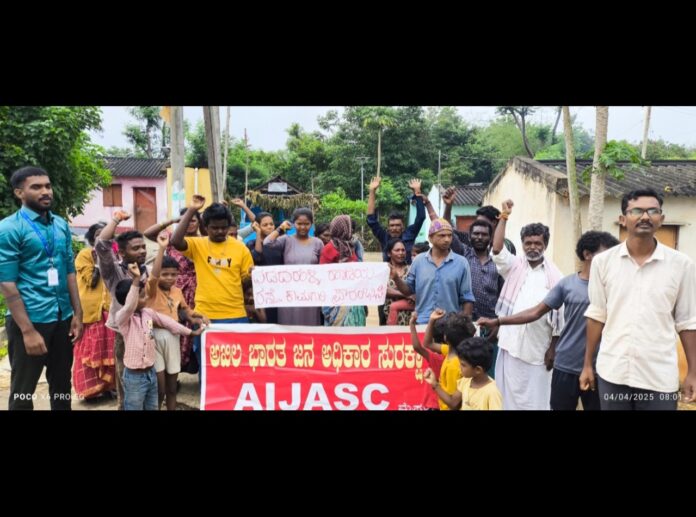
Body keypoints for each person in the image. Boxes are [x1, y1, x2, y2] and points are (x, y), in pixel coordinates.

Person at [580, 188, 696, 409]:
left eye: (652, 211)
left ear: (661, 219)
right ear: (623, 219)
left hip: (659, 377)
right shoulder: (603, 263)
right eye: (636, 211)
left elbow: (687, 322)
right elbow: (596, 315)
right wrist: (587, 365)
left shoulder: (681, 265)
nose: (645, 217)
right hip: (613, 372)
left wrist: (693, 372)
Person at [478, 231, 619, 410]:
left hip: (600, 367)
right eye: (607, 254)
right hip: (566, 365)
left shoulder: (614, 287)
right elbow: (536, 312)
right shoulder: (567, 284)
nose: (612, 259)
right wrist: (498, 322)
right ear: (587, 254)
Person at [0, 166, 83, 410]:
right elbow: (7, 283)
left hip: (62, 318)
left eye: (47, 186)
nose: (45, 191)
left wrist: (77, 314)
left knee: (62, 386)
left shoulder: (60, 225)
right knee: (23, 392)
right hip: (30, 319)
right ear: (19, 193)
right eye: (36, 187)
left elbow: (69, 271)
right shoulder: (9, 228)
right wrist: (27, 331)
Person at [169, 196, 254, 374]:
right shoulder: (198, 244)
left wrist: (253, 276)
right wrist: (192, 210)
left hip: (236, 315)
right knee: (207, 366)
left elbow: (245, 283)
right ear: (205, 227)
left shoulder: (241, 248)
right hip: (204, 316)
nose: (220, 231)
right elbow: (176, 241)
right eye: (215, 228)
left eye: (224, 227)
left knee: (237, 367)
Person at [492, 200, 562, 410]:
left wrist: (553, 348)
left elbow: (560, 317)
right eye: (528, 243)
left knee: (538, 399)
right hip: (510, 343)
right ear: (522, 244)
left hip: (538, 348)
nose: (533, 247)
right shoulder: (514, 266)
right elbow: (497, 249)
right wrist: (504, 217)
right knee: (507, 397)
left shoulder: (556, 277)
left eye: (537, 243)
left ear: (545, 245)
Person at [115, 263, 202, 410]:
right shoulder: (123, 319)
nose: (146, 298)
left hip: (150, 373)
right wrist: (136, 280)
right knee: (134, 406)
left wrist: (190, 332)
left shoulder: (147, 313)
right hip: (134, 377)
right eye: (142, 296)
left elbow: (169, 322)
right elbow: (129, 306)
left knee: (152, 406)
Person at [146, 232, 209, 410]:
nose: (169, 278)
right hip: (153, 337)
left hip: (173, 338)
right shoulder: (151, 290)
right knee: (159, 388)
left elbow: (186, 311)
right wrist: (161, 248)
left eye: (173, 274)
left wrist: (199, 316)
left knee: (172, 388)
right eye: (165, 274)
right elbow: (154, 276)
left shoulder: (177, 291)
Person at [95, 209, 149, 409]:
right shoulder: (114, 270)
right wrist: (116, 220)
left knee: (146, 368)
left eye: (143, 247)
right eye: (136, 248)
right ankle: (124, 405)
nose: (142, 251)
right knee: (126, 371)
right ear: (123, 252)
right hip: (124, 331)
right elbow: (102, 245)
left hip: (146, 328)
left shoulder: (145, 269)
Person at [144, 208, 202, 373]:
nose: (189, 223)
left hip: (196, 289)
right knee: (172, 324)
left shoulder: (202, 240)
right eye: (185, 220)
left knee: (193, 322)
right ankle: (171, 370)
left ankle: (189, 365)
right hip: (172, 289)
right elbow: (148, 233)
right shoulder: (171, 238)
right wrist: (171, 221)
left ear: (199, 222)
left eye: (192, 220)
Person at [391, 218, 475, 324]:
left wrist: (465, 324)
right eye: (442, 235)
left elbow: (467, 298)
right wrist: (396, 278)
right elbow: (408, 290)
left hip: (450, 325)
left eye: (450, 235)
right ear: (430, 238)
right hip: (422, 323)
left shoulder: (461, 263)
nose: (447, 239)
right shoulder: (418, 261)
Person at [72, 222, 116, 399]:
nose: (102, 237)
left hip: (109, 310)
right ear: (91, 238)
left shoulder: (113, 254)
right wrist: (98, 261)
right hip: (91, 313)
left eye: (106, 233)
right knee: (89, 350)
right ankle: (91, 391)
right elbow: (91, 280)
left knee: (110, 350)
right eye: (98, 234)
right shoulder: (85, 255)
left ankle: (109, 387)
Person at [264, 208, 324, 325]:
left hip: (310, 295)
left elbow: (323, 269)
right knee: (289, 326)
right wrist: (280, 228)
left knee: (309, 325)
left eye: (306, 224)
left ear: (312, 224)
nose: (303, 227)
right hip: (289, 295)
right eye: (299, 223)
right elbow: (267, 242)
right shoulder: (286, 240)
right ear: (293, 223)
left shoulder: (318, 243)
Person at [417, 308, 477, 410]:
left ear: (445, 338)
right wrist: (431, 320)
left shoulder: (455, 365)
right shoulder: (451, 350)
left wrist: (434, 384)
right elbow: (428, 343)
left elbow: (453, 403)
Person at [424, 337, 502, 410]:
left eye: (463, 365)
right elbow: (453, 403)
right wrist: (434, 384)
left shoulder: (492, 392)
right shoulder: (465, 381)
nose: (459, 366)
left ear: (478, 370)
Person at [319, 215, 366, 327]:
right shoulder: (329, 248)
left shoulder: (351, 245)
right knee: (336, 330)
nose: (351, 231)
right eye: (349, 227)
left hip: (352, 296)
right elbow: (323, 274)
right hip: (335, 298)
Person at [367, 177, 426, 264]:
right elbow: (371, 220)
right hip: (389, 271)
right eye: (392, 225)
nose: (394, 228)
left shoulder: (409, 234)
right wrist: (372, 191)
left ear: (403, 226)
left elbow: (421, 217)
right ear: (388, 227)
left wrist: (417, 191)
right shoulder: (384, 237)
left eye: (398, 225)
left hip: (407, 271)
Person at [408, 311, 444, 409]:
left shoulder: (437, 358)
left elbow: (417, 347)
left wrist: (412, 324)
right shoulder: (458, 356)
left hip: (434, 403)